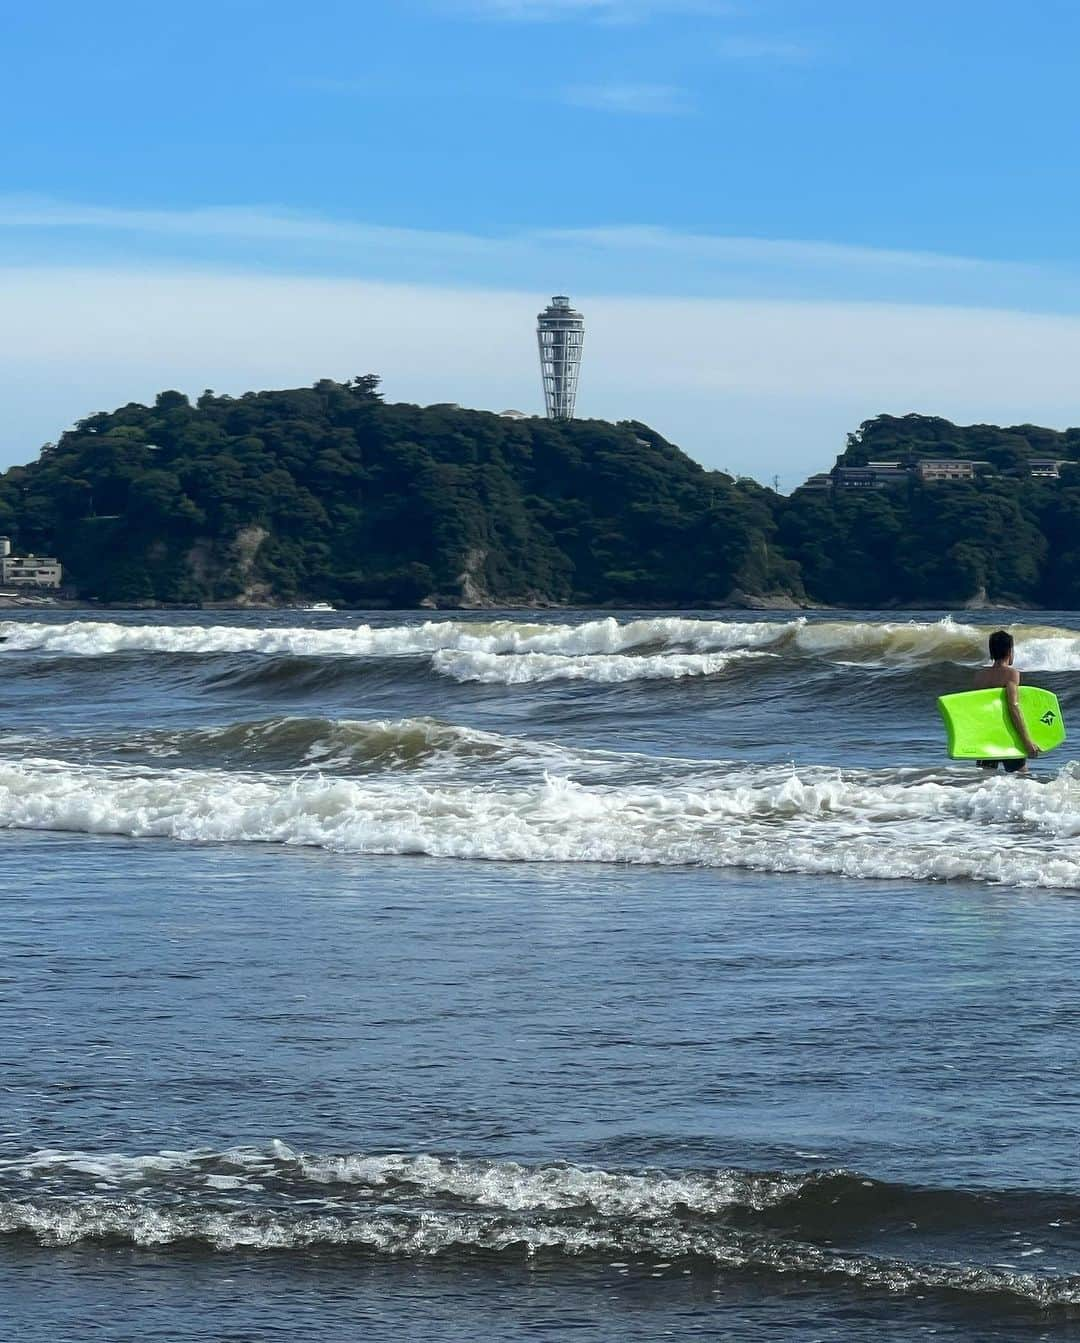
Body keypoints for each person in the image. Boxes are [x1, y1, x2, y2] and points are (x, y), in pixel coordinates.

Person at [972, 629, 1039, 773]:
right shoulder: (1011, 674)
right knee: (1022, 780)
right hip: (1007, 735)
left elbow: (977, 710)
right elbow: (1013, 707)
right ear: (1009, 651)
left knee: (984, 781)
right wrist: (1027, 741)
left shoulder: (979, 676)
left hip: (986, 736)